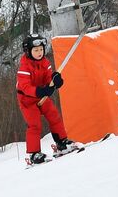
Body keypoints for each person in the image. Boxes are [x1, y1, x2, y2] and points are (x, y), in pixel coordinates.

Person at [16, 36, 78, 165]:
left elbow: (48, 79)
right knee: (34, 125)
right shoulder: (24, 67)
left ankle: (61, 142)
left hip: (41, 97)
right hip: (27, 100)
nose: (39, 53)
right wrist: (41, 91)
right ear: (28, 52)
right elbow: (25, 87)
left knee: (54, 116)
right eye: (36, 50)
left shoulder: (45, 63)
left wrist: (55, 81)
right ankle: (34, 154)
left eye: (41, 50)